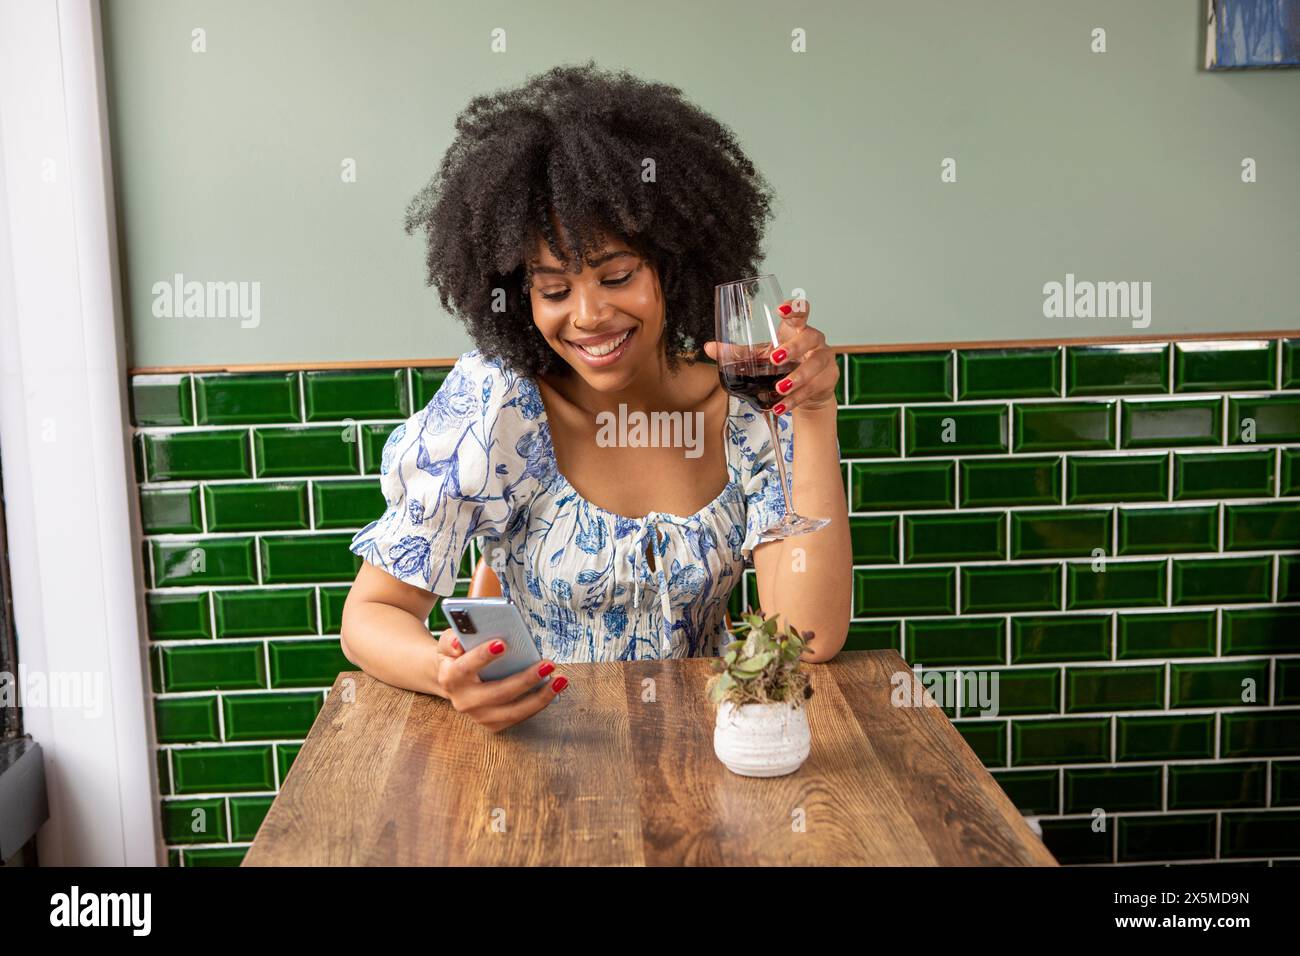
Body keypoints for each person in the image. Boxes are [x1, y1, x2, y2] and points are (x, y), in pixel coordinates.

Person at [341, 62, 851, 732]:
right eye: (553, 289)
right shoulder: (499, 408)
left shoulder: (745, 406)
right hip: (544, 764)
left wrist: (812, 415)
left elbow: (809, 638)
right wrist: (444, 674)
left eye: (616, 276)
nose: (586, 315)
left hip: (714, 757)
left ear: (673, 264)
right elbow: (370, 617)